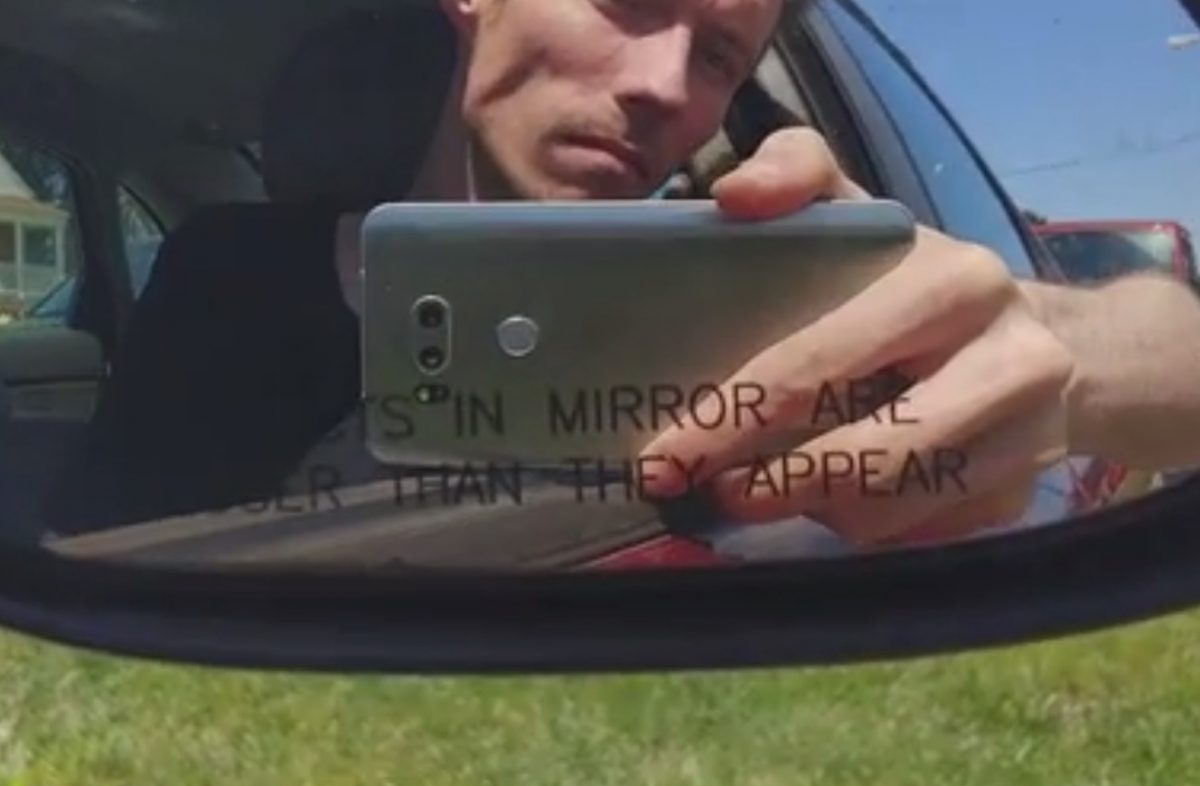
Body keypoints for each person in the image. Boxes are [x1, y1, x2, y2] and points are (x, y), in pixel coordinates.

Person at [46, 0, 1200, 549]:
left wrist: (1050, 345)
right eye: (631, 3)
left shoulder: (772, 314)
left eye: (719, 57)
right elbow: (99, 565)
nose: (665, 87)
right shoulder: (229, 280)